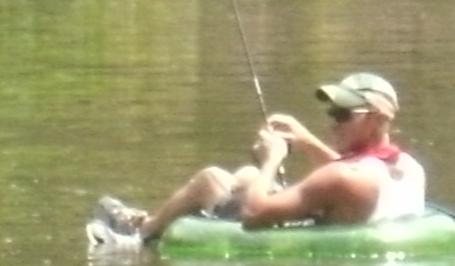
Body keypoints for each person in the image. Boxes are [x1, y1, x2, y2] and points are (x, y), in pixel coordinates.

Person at [95, 71, 425, 247]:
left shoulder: (345, 178)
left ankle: (140, 234)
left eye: (343, 114)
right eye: (332, 113)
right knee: (247, 175)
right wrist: (307, 141)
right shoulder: (408, 168)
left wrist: (274, 157)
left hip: (290, 230)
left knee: (213, 178)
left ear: (378, 118)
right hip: (346, 217)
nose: (332, 122)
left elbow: (254, 215)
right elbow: (354, 176)